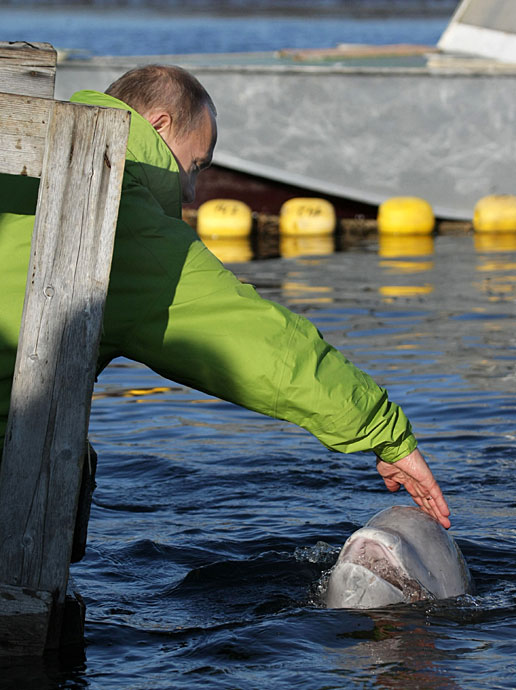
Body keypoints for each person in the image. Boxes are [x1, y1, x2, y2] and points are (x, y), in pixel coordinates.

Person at [0, 65, 450, 530]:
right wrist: (385, 431)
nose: (191, 192)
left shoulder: (18, 155)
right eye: (195, 166)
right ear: (159, 125)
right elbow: (260, 347)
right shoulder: (121, 219)